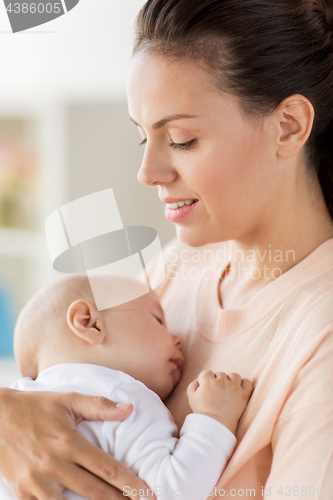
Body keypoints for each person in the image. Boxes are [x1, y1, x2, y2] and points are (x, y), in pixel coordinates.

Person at [0, 0, 333, 498]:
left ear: (288, 126)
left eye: (181, 140)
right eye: (143, 138)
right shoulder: (176, 269)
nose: (148, 173)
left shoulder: (320, 338)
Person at [0, 274, 252, 500]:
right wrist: (214, 417)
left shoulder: (17, 406)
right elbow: (173, 491)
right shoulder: (120, 398)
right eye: (157, 319)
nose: (179, 339)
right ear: (89, 322)